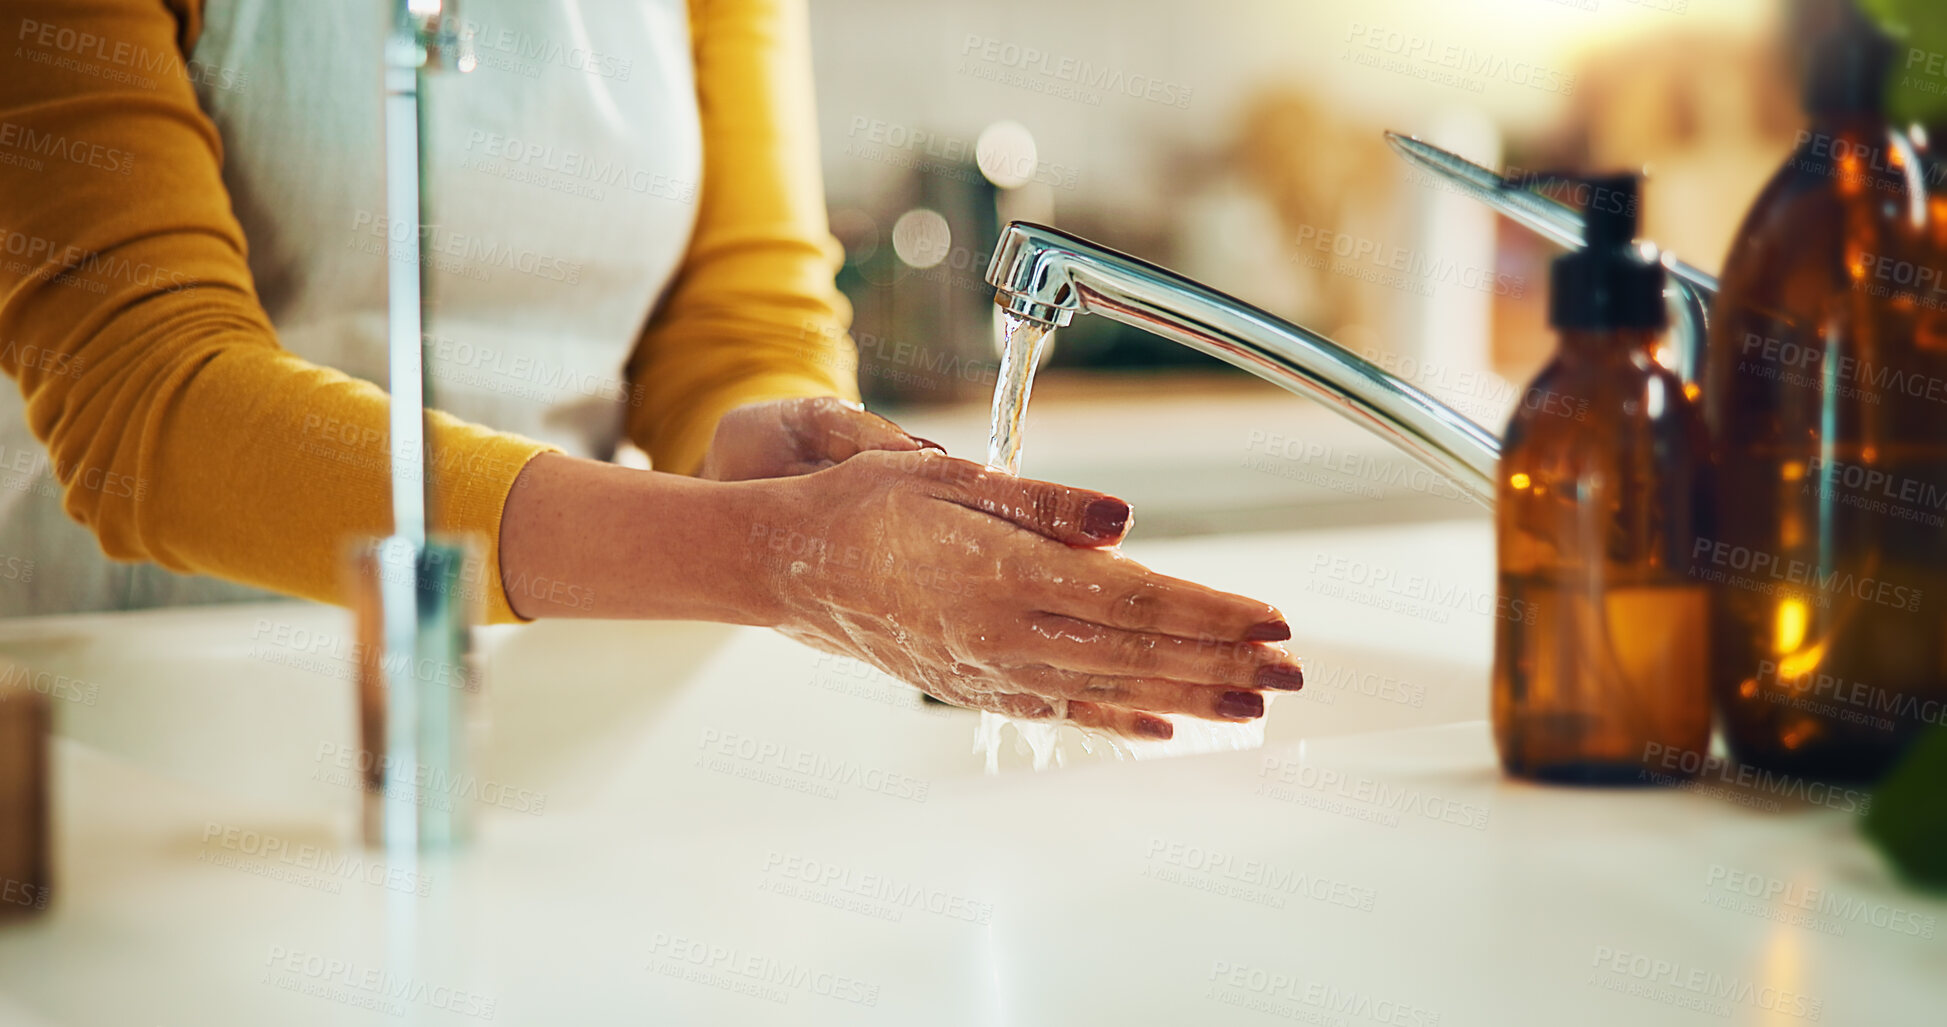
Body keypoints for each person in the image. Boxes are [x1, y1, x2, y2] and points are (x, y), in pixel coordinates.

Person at [0, 0, 1303, 738]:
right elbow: (144, 402)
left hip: (532, 695)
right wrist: (760, 556)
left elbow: (735, 306)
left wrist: (769, 443)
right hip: (131, 714)